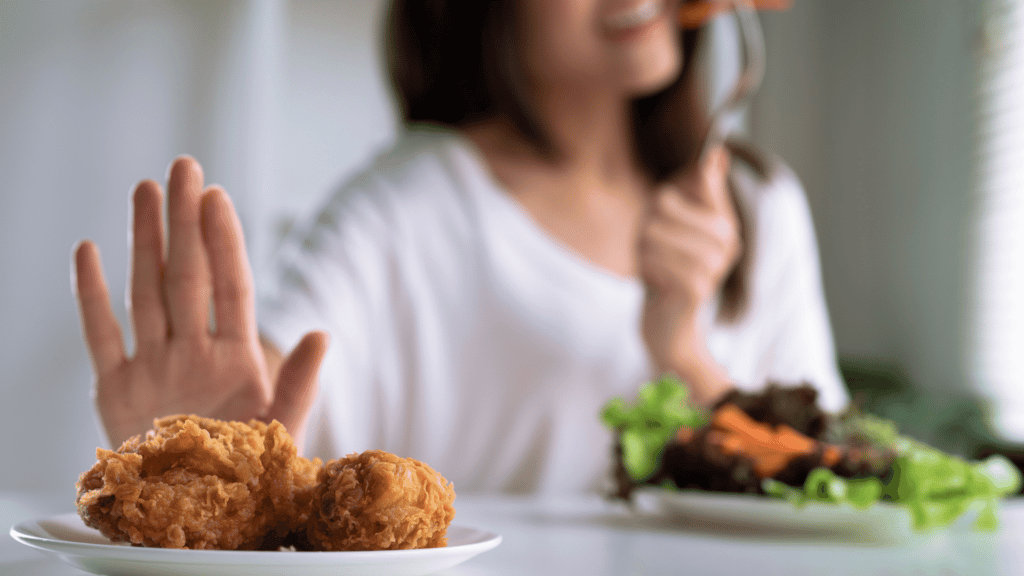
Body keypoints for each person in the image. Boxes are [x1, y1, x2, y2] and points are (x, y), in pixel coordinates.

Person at [72, 0, 847, 494]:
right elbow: (260, 395)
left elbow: (834, 487)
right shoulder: (407, 205)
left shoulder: (760, 207)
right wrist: (199, 450)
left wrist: (685, 355)